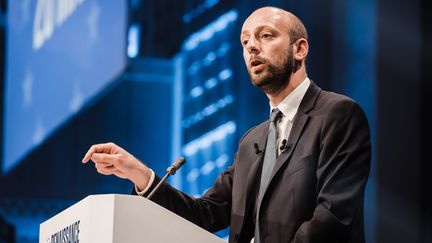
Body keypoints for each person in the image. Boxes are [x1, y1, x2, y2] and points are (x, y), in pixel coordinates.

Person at [82, 6, 371, 243]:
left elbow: (333, 218)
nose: (252, 48)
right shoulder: (251, 142)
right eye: (245, 42)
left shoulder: (338, 115)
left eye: (266, 36)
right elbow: (205, 214)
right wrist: (142, 175)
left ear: (300, 49)